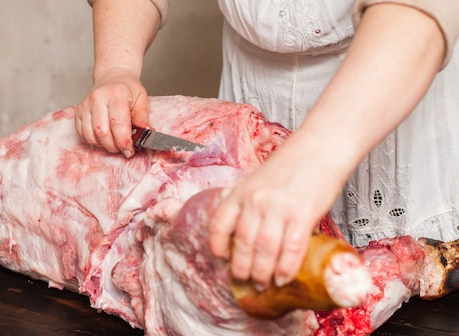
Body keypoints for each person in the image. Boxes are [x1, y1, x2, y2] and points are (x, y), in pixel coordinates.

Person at [75, 0, 459, 291]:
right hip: (254, 102)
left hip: (388, 95)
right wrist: (117, 69)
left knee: (387, 295)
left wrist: (314, 158)